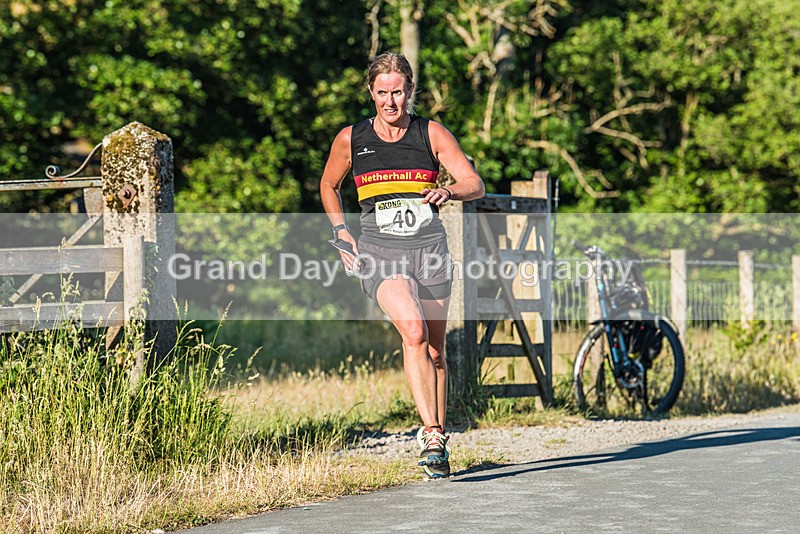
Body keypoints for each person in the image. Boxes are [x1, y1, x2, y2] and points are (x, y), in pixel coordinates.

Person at [319, 52, 485, 478]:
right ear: (371, 93)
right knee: (411, 329)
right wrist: (340, 233)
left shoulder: (430, 133)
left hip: (430, 251)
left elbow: (474, 183)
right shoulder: (351, 138)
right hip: (380, 252)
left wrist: (449, 192)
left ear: (410, 90)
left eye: (397, 92)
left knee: (434, 349)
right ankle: (432, 433)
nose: (390, 101)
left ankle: (438, 442)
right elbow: (329, 184)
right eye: (381, 93)